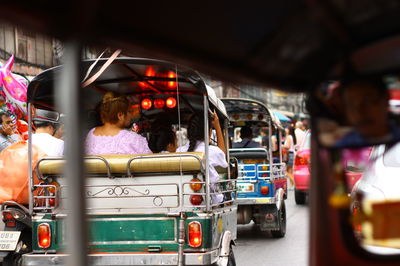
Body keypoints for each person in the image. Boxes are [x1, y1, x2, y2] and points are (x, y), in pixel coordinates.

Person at [177, 112, 227, 203]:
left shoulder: (179, 151)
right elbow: (222, 154)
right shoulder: (210, 151)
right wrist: (217, 126)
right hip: (210, 199)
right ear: (210, 132)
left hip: (182, 199)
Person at [85, 92, 151, 155]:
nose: (131, 116)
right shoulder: (133, 139)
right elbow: (151, 163)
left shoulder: (91, 134)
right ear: (120, 115)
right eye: (129, 111)